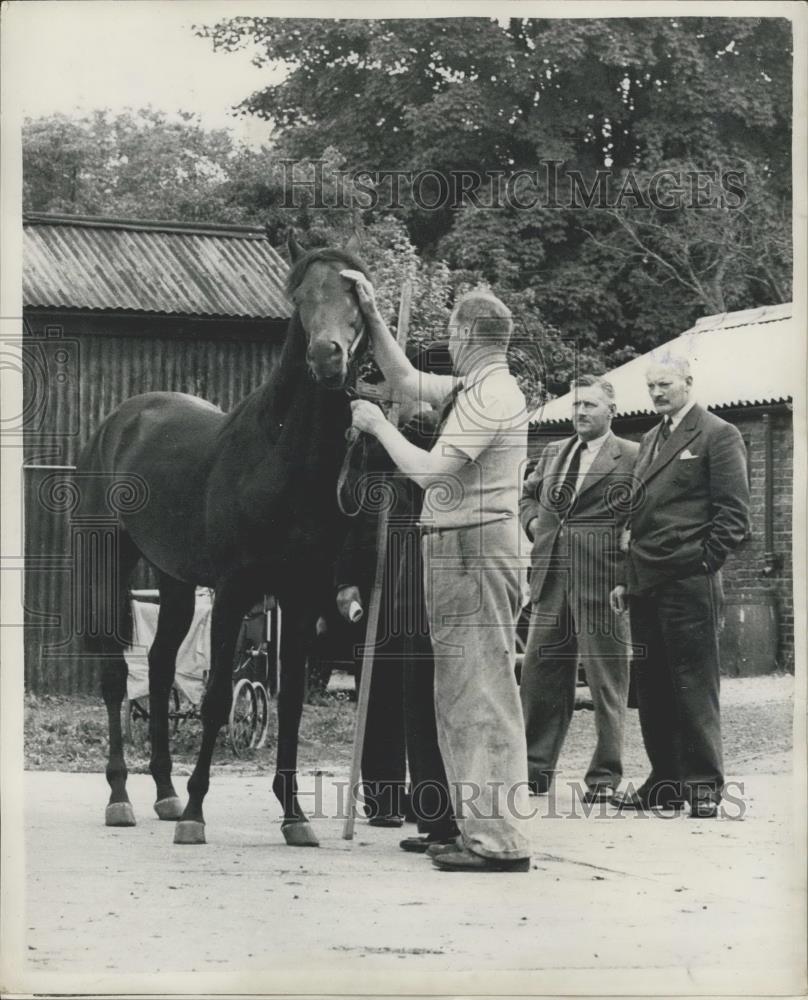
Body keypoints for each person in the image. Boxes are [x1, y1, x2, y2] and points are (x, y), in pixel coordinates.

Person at [342, 270, 532, 873]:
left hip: (474, 550)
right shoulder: (476, 385)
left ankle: (500, 841)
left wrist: (377, 426)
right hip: (456, 548)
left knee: (482, 696)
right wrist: (371, 314)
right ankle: (476, 830)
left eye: (450, 329)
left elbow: (430, 474)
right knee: (457, 695)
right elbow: (405, 378)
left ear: (464, 331)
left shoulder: (491, 395)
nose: (445, 341)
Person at [609, 352, 750, 818]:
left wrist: (702, 563)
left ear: (689, 381)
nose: (657, 392)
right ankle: (665, 780)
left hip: (688, 579)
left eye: (665, 384)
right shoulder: (650, 438)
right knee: (652, 684)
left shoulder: (718, 433)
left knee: (693, 681)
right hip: (646, 578)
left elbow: (733, 516)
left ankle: (705, 784)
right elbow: (634, 516)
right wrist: (624, 578)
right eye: (652, 385)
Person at [334, 396, 459, 848]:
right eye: (409, 425)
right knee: (380, 694)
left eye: (424, 426)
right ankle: (384, 798)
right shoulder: (374, 470)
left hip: (427, 594)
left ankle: (429, 803)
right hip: (379, 597)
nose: (416, 431)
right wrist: (346, 584)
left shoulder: (441, 472)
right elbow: (350, 526)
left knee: (425, 699)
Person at [519, 375, 639, 803]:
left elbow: (638, 517)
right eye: (576, 406)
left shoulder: (631, 456)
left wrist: (624, 571)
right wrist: (534, 524)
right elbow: (528, 496)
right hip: (550, 577)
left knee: (607, 680)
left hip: (601, 582)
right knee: (539, 672)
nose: (582, 412)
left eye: (590, 405)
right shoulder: (554, 451)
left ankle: (604, 777)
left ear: (611, 411)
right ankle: (534, 769)